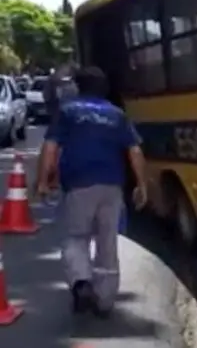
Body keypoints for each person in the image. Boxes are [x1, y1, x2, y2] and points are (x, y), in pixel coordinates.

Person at [33, 66, 148, 317]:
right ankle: (105, 300)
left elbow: (51, 148)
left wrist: (42, 181)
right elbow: (135, 151)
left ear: (78, 87)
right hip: (112, 185)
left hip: (79, 184)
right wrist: (142, 184)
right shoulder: (117, 114)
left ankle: (82, 282)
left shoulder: (67, 111)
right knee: (108, 242)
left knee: (76, 236)